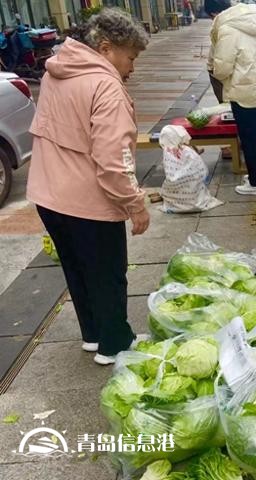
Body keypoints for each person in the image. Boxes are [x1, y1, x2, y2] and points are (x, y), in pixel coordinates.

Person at [26, 9, 150, 366]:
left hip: (48, 194)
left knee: (78, 268)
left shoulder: (56, 72)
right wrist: (135, 204)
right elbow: (114, 161)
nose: (132, 66)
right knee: (108, 271)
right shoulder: (105, 85)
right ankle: (115, 344)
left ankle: (93, 335)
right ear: (107, 48)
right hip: (87, 199)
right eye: (130, 56)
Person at [211, 2, 256, 195]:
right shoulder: (253, 20)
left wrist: (216, 72)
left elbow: (222, 68)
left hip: (244, 90)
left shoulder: (227, 28)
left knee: (247, 137)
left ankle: (254, 184)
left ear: (215, 12)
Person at [206, 0, 231, 103]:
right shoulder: (240, 19)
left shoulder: (223, 27)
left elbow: (225, 61)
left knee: (228, 108)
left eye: (211, 17)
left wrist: (214, 70)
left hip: (223, 74)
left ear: (214, 13)